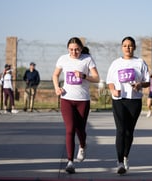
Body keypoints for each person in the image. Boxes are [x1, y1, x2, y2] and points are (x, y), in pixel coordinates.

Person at [52, 37, 100, 174]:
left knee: (80, 129)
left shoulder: (87, 59)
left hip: (82, 100)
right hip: (66, 98)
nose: (74, 52)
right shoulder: (63, 59)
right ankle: (70, 162)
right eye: (71, 49)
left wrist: (84, 76)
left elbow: (97, 78)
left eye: (77, 49)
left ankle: (83, 146)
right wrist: (57, 88)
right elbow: (55, 75)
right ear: (68, 49)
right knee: (70, 129)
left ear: (81, 49)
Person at [106, 36, 150, 175]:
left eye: (130, 45)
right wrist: (113, 90)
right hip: (119, 99)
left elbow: (147, 82)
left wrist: (139, 84)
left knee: (129, 131)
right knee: (120, 130)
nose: (127, 48)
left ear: (134, 47)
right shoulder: (115, 63)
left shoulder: (140, 62)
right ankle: (119, 162)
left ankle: (126, 156)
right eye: (125, 45)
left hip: (134, 100)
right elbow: (110, 81)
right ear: (122, 47)